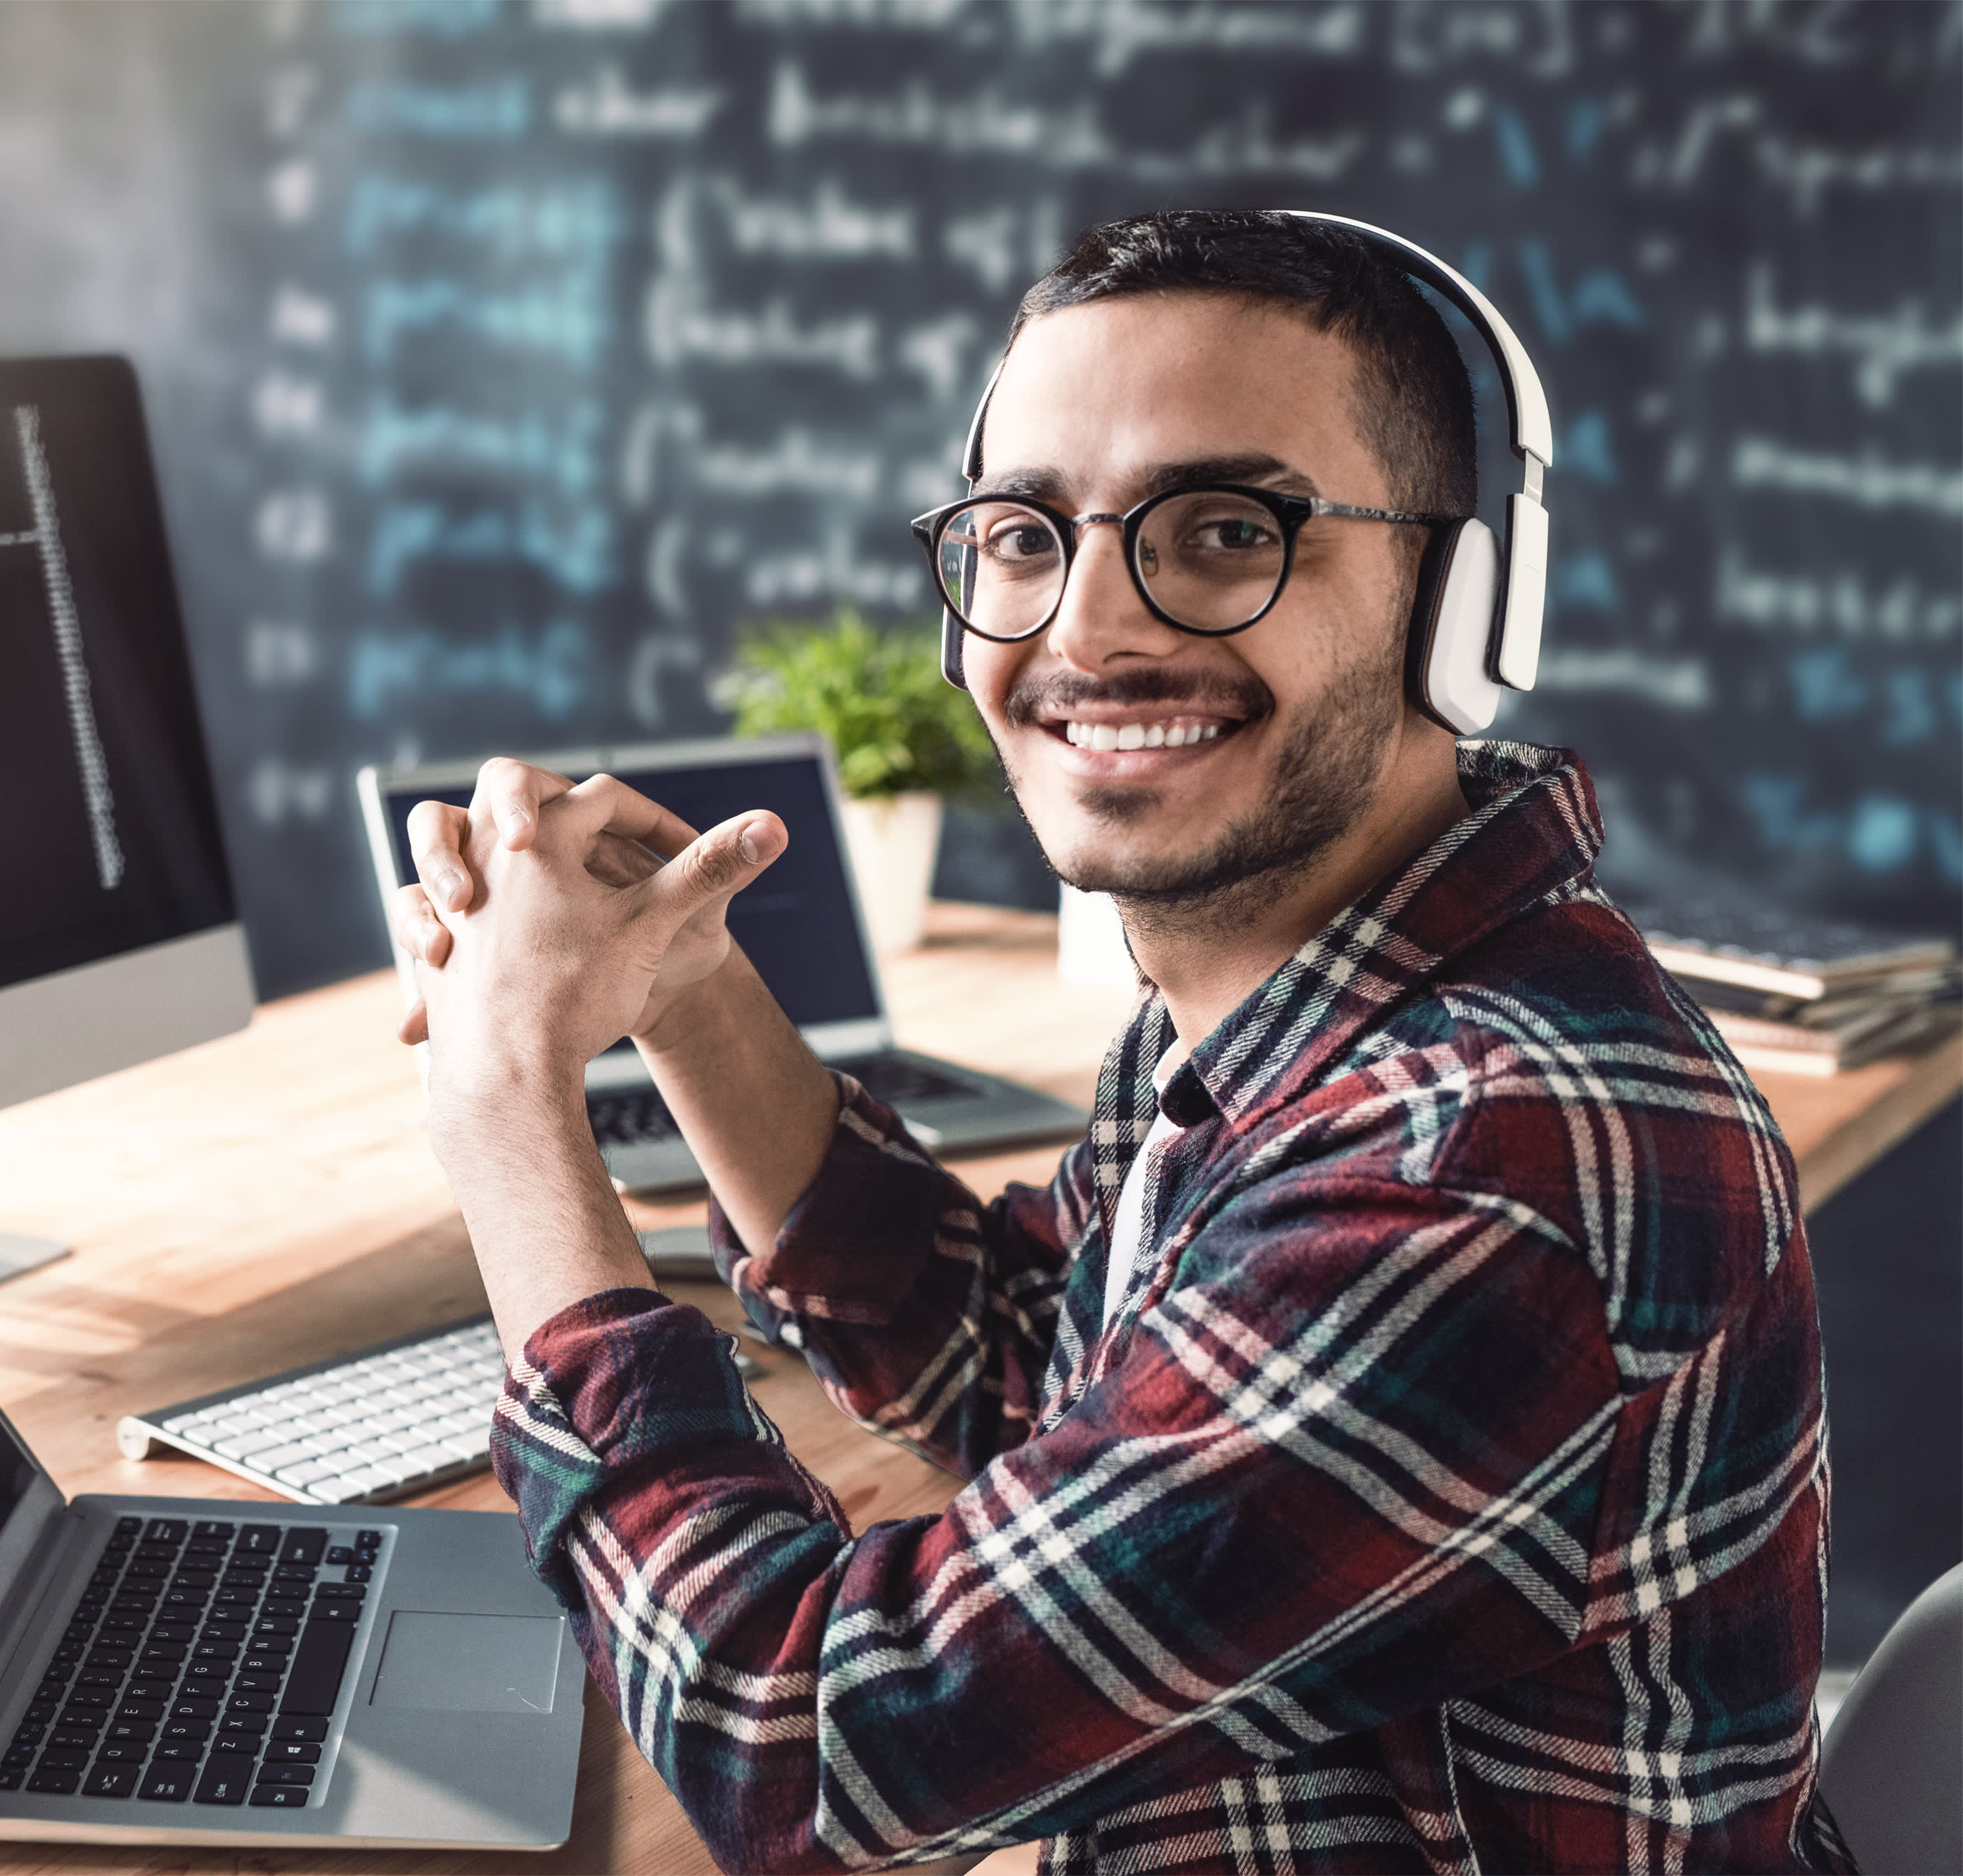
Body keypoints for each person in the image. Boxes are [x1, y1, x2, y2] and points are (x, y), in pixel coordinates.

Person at [388, 210, 1845, 1875]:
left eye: (1222, 528)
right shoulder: (1303, 998)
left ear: (1465, 602)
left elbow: (803, 1754)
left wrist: (507, 1108)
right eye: (1021, 534)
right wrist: (690, 988)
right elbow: (1025, 1372)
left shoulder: (1476, 1167)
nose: (1081, 630)